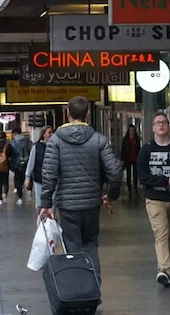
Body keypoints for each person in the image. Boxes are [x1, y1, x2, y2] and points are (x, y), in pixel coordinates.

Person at [40, 96, 122, 283]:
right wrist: (111, 195)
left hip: (68, 206)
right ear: (87, 114)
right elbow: (115, 172)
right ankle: (94, 288)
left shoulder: (55, 141)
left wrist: (46, 203)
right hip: (91, 204)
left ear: (68, 114)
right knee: (91, 245)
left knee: (73, 248)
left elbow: (49, 174)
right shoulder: (98, 139)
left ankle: (79, 290)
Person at [137, 111, 170, 287]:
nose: (161, 125)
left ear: (168, 126)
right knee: (161, 233)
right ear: (152, 128)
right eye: (157, 123)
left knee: (169, 234)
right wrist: (166, 180)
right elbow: (142, 176)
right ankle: (164, 270)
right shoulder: (146, 150)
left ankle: (163, 267)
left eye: (164, 122)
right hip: (154, 199)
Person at [25, 125, 54, 211]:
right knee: (40, 204)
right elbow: (31, 163)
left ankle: (50, 222)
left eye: (52, 132)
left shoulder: (55, 147)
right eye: (49, 132)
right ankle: (42, 221)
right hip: (39, 179)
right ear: (44, 134)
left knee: (52, 204)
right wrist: (28, 177)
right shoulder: (36, 147)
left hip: (52, 180)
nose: (51, 134)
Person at [10, 125, 32, 206]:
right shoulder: (27, 140)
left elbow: (11, 153)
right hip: (27, 162)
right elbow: (31, 150)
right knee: (28, 176)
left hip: (17, 163)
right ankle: (29, 190)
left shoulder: (13, 142)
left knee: (18, 180)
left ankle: (20, 197)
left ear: (15, 133)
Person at [0, 131, 15, 205]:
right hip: (5, 166)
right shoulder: (8, 145)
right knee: (5, 182)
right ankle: (5, 193)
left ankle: (0, 199)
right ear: (5, 137)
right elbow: (11, 154)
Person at [120, 124, 141, 196]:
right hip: (127, 159)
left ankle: (135, 188)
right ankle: (129, 190)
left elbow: (139, 149)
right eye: (131, 130)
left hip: (135, 159)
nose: (132, 132)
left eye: (133, 130)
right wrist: (122, 159)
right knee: (128, 174)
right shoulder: (125, 139)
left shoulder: (137, 139)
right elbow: (123, 150)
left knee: (135, 174)